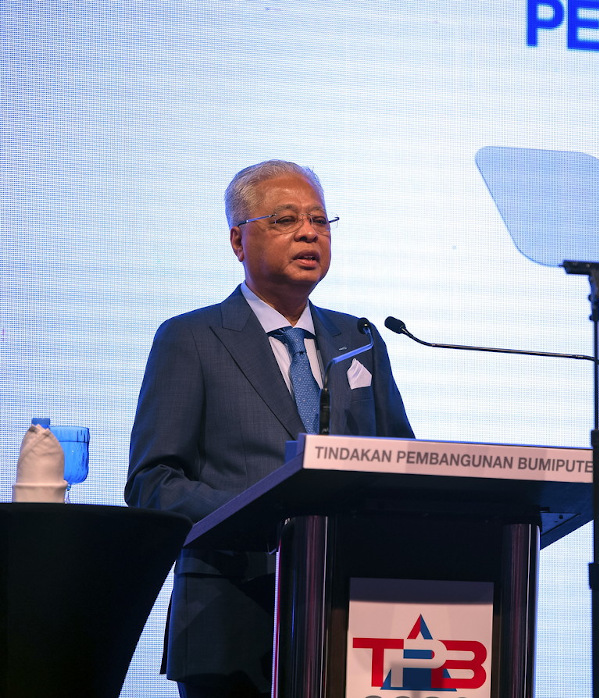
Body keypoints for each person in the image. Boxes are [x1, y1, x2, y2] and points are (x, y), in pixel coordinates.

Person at [126, 160, 413, 698]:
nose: (309, 232)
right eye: (285, 219)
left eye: (320, 220)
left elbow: (400, 461)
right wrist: (262, 517)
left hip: (355, 618)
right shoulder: (191, 337)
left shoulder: (362, 339)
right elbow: (153, 483)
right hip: (232, 618)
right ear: (238, 240)